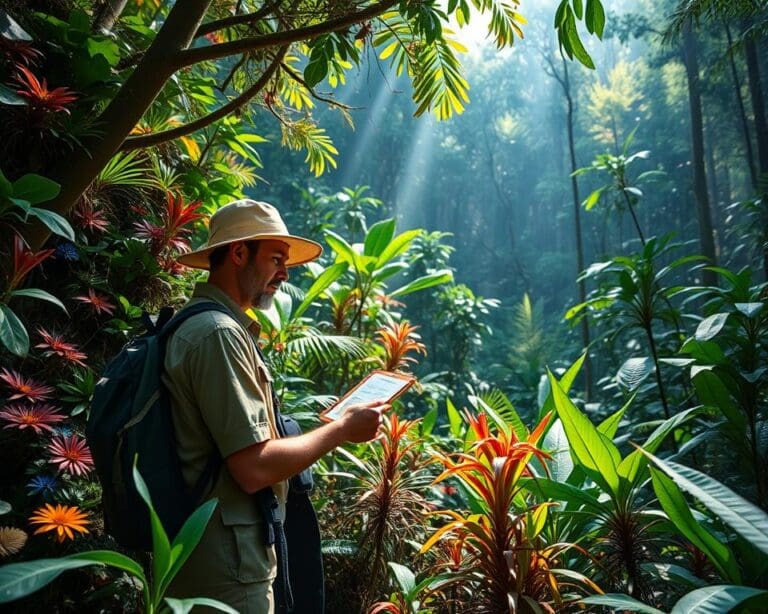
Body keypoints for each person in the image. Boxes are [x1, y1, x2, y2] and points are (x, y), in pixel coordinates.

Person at [164, 199, 386, 612]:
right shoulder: (218, 334)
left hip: (214, 556)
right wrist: (341, 430)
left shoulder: (203, 324)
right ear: (238, 253)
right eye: (276, 259)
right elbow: (253, 467)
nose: (285, 273)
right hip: (226, 570)